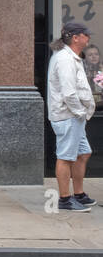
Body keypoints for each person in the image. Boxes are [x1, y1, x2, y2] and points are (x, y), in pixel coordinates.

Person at [47, 21, 96, 212]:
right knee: (66, 157)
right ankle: (65, 200)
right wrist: (80, 112)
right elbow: (69, 93)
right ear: (75, 37)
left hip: (73, 116)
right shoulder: (65, 59)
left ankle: (79, 194)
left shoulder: (71, 57)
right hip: (69, 116)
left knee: (83, 153)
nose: (88, 38)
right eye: (86, 35)